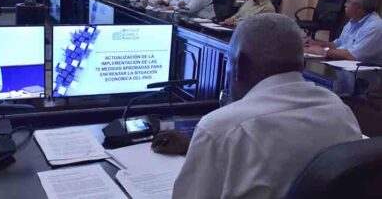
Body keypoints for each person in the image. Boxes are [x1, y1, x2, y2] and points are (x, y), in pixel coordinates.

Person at [152, 13, 362, 199]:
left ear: (239, 65)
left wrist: (211, 142)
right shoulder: (341, 112)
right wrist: (200, 147)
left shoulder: (221, 129)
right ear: (303, 63)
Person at [305, 0, 382, 64]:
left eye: (348, 2)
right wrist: (316, 43)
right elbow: (338, 44)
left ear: (359, 8)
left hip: (365, 72)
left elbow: (352, 55)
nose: (345, 4)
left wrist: (322, 51)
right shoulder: (353, 20)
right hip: (345, 65)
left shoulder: (375, 27)